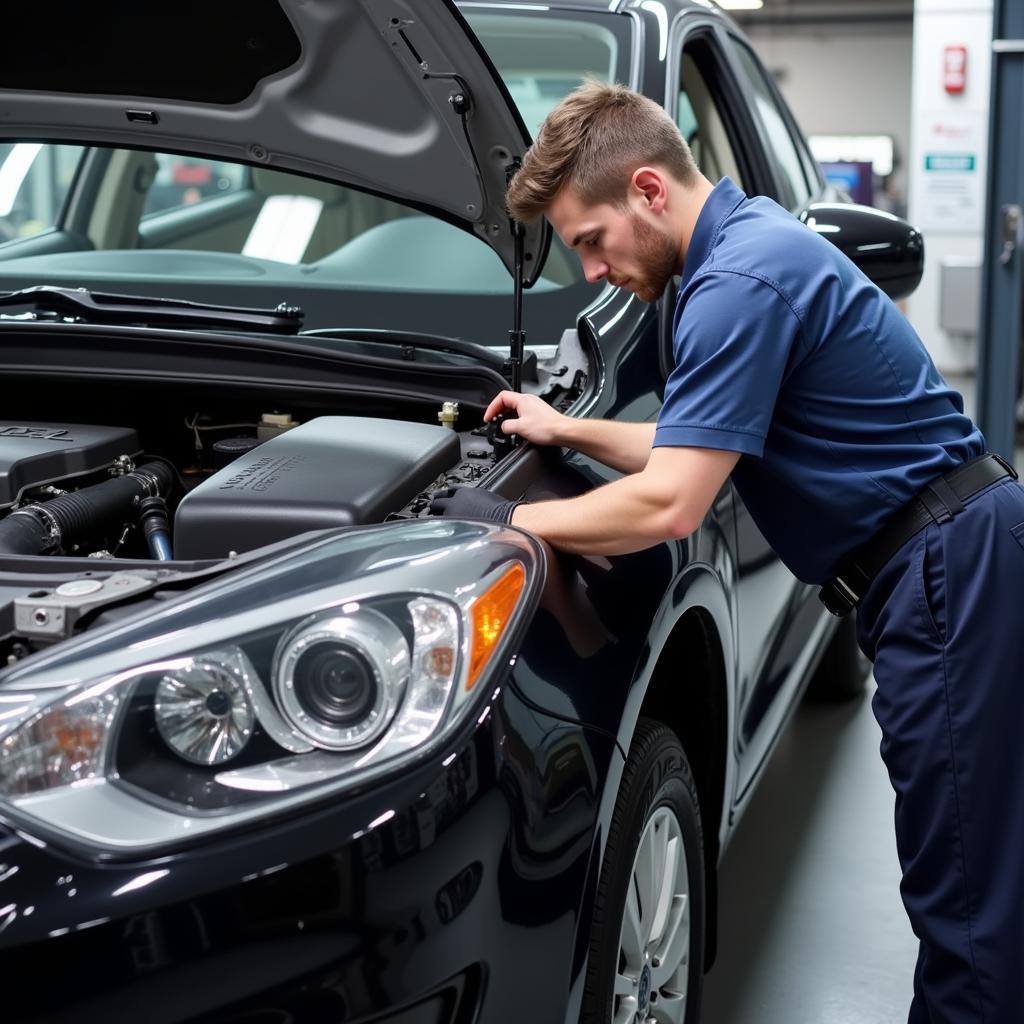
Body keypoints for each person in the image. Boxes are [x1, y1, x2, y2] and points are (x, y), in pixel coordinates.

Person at [430, 81, 1024, 1022]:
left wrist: (502, 528)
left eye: (592, 240)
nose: (591, 271)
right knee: (977, 877)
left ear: (650, 191)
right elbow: (696, 440)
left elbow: (671, 502)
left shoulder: (735, 285)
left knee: (967, 906)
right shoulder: (745, 252)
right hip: (954, 552)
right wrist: (567, 431)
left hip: (946, 573)